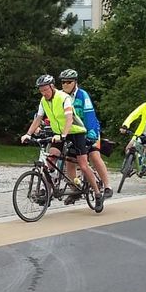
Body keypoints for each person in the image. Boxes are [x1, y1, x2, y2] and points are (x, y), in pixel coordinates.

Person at [21, 74, 104, 213]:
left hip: (75, 132)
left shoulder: (63, 97)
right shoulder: (43, 101)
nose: (43, 93)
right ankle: (48, 191)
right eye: (41, 90)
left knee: (83, 165)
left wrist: (64, 135)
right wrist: (28, 134)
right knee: (51, 157)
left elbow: (69, 118)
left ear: (52, 87)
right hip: (58, 134)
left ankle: (97, 193)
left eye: (45, 90)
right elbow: (38, 118)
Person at [59, 69, 113, 199]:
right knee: (70, 162)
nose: (65, 84)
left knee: (94, 155)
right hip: (74, 132)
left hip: (90, 129)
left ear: (75, 82)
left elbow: (90, 115)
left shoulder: (83, 95)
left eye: (69, 82)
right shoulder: (60, 96)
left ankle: (107, 186)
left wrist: (92, 134)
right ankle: (75, 189)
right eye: (63, 82)